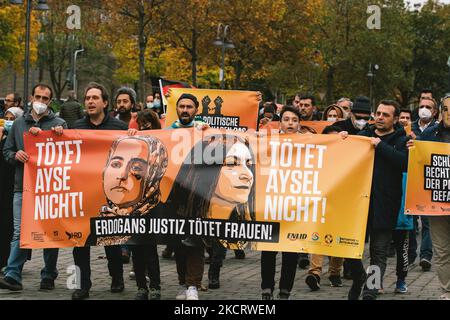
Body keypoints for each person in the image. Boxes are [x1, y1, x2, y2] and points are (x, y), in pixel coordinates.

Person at [167, 132, 255, 298]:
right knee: (181, 246)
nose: (246, 174)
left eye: (248, 164)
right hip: (188, 203)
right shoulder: (191, 136)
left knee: (196, 245)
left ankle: (193, 284)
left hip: (207, 211)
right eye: (231, 163)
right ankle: (183, 283)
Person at [0, 84, 66, 292]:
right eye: (38, 97)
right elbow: (7, 151)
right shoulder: (19, 124)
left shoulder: (59, 123)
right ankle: (12, 274)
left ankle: (48, 275)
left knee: (50, 232)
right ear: (31, 97)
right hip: (23, 186)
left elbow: (70, 155)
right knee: (19, 231)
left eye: (45, 98)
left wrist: (61, 135)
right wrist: (15, 155)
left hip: (50, 188)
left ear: (50, 101)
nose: (41, 101)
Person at [69, 82, 128, 300]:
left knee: (111, 240)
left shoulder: (118, 128)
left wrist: (133, 134)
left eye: (95, 98)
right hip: (83, 193)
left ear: (104, 102)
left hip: (109, 194)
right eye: (87, 98)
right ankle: (81, 285)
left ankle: (117, 278)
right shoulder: (76, 127)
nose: (90, 102)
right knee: (80, 242)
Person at [347, 99, 409, 300]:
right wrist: (343, 139)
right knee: (349, 246)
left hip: (385, 204)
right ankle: (359, 277)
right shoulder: (364, 134)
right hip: (359, 202)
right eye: (379, 113)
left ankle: (370, 290)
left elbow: (403, 163)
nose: (380, 117)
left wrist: (380, 145)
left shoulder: (402, 139)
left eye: (386, 115)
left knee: (378, 251)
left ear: (396, 119)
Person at [97, 133, 168, 300]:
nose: (123, 175)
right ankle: (141, 287)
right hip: (130, 221)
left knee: (150, 251)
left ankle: (155, 287)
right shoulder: (107, 209)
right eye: (115, 163)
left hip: (147, 218)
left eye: (136, 167)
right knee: (136, 252)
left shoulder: (154, 202)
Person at [164, 92, 209, 300]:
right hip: (174, 196)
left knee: (196, 241)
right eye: (181, 106)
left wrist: (208, 135)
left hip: (198, 195)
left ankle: (194, 286)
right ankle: (184, 283)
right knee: (177, 242)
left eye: (189, 107)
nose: (185, 110)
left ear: (196, 110)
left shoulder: (204, 130)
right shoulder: (167, 132)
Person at [261, 105, 302, 300]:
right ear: (280, 122)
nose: (290, 123)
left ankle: (286, 289)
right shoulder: (270, 141)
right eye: (286, 119)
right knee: (268, 249)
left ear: (299, 123)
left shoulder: (309, 142)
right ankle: (267, 287)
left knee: (290, 251)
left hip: (295, 206)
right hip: (272, 203)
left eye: (294, 120)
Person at [411, 94, 450, 300]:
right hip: (437, 203)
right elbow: (419, 161)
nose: (449, 113)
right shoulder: (430, 134)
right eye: (446, 109)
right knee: (442, 251)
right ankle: (447, 291)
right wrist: (413, 150)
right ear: (440, 112)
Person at [304, 125, 344, 291]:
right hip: (321, 202)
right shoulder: (316, 156)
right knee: (317, 236)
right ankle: (315, 273)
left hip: (342, 203)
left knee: (339, 236)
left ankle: (335, 272)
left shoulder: (349, 157)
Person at [409, 97, 438, 271]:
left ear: (434, 112)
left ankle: (426, 255)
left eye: (428, 107)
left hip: (429, 177)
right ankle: (411, 252)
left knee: (427, 220)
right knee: (411, 220)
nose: (424, 109)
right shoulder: (408, 127)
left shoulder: (438, 129)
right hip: (411, 176)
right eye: (421, 106)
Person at [0, 107, 24, 273]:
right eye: (6, 117)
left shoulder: (19, 135)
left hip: (14, 185)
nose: (8, 121)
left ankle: (11, 263)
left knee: (13, 227)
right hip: (3, 186)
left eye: (12, 118)